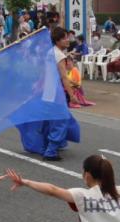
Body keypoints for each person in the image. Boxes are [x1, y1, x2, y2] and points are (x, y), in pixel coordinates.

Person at [18, 27, 81, 161]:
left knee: (51, 121)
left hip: (47, 92)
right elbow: (64, 77)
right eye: (64, 38)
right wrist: (72, 94)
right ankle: (51, 151)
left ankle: (51, 145)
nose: (67, 40)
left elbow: (45, 73)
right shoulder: (59, 55)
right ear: (57, 40)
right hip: (55, 94)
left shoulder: (50, 52)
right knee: (60, 121)